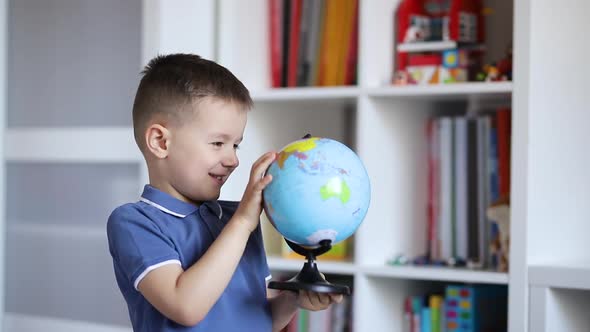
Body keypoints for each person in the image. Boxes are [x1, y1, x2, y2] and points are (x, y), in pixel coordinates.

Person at [106, 53, 342, 331]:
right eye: (218, 143)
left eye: (236, 145)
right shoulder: (135, 223)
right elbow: (186, 306)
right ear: (160, 141)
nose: (233, 160)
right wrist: (242, 223)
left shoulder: (237, 219)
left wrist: (293, 297)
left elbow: (258, 320)